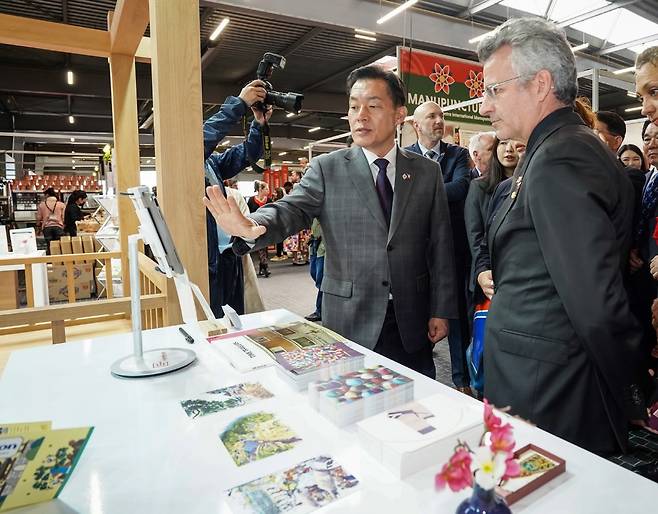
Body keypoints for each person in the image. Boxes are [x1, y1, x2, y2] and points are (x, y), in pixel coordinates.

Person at [204, 64, 457, 377]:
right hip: (350, 317)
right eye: (353, 106)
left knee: (415, 406)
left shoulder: (425, 172)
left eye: (373, 106)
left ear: (399, 115)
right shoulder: (328, 168)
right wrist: (251, 225)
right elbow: (290, 209)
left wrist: (442, 310)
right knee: (350, 403)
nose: (360, 115)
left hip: (411, 317)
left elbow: (441, 245)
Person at [476, 17, 641, 454]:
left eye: (495, 89)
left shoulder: (560, 159)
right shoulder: (556, 150)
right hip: (540, 381)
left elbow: (596, 303)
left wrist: (632, 389)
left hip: (551, 393)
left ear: (540, 84)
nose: (484, 106)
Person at [405, 101, 473, 394]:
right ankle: (423, 380)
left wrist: (418, 193)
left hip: (453, 251)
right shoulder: (404, 158)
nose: (438, 121)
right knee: (418, 316)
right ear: (415, 125)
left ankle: (462, 381)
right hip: (417, 254)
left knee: (455, 317)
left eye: (441, 116)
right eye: (431, 116)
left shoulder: (457, 154)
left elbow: (460, 188)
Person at [203, 79, 271, 317]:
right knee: (213, 323)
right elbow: (201, 139)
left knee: (235, 318)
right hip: (205, 260)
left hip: (228, 256)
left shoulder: (211, 163)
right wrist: (240, 103)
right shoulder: (185, 160)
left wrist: (258, 125)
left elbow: (245, 155)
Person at [247, 180, 272, 278]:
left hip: (266, 226)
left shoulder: (269, 200)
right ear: (260, 189)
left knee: (264, 246)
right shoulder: (251, 200)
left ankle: (262, 266)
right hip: (256, 226)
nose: (268, 190)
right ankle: (265, 266)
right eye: (266, 188)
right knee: (261, 246)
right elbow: (248, 213)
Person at [305, 218, 325, 322]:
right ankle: (321, 309)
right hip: (314, 245)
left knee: (321, 279)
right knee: (314, 274)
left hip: (324, 246)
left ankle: (320, 310)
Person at [37, 187, 65, 253]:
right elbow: (63, 217)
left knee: (49, 246)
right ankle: (59, 261)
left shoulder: (42, 205)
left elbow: (39, 217)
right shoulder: (61, 205)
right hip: (58, 227)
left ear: (47, 195)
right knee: (59, 246)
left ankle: (50, 261)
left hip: (47, 228)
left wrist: (38, 226)